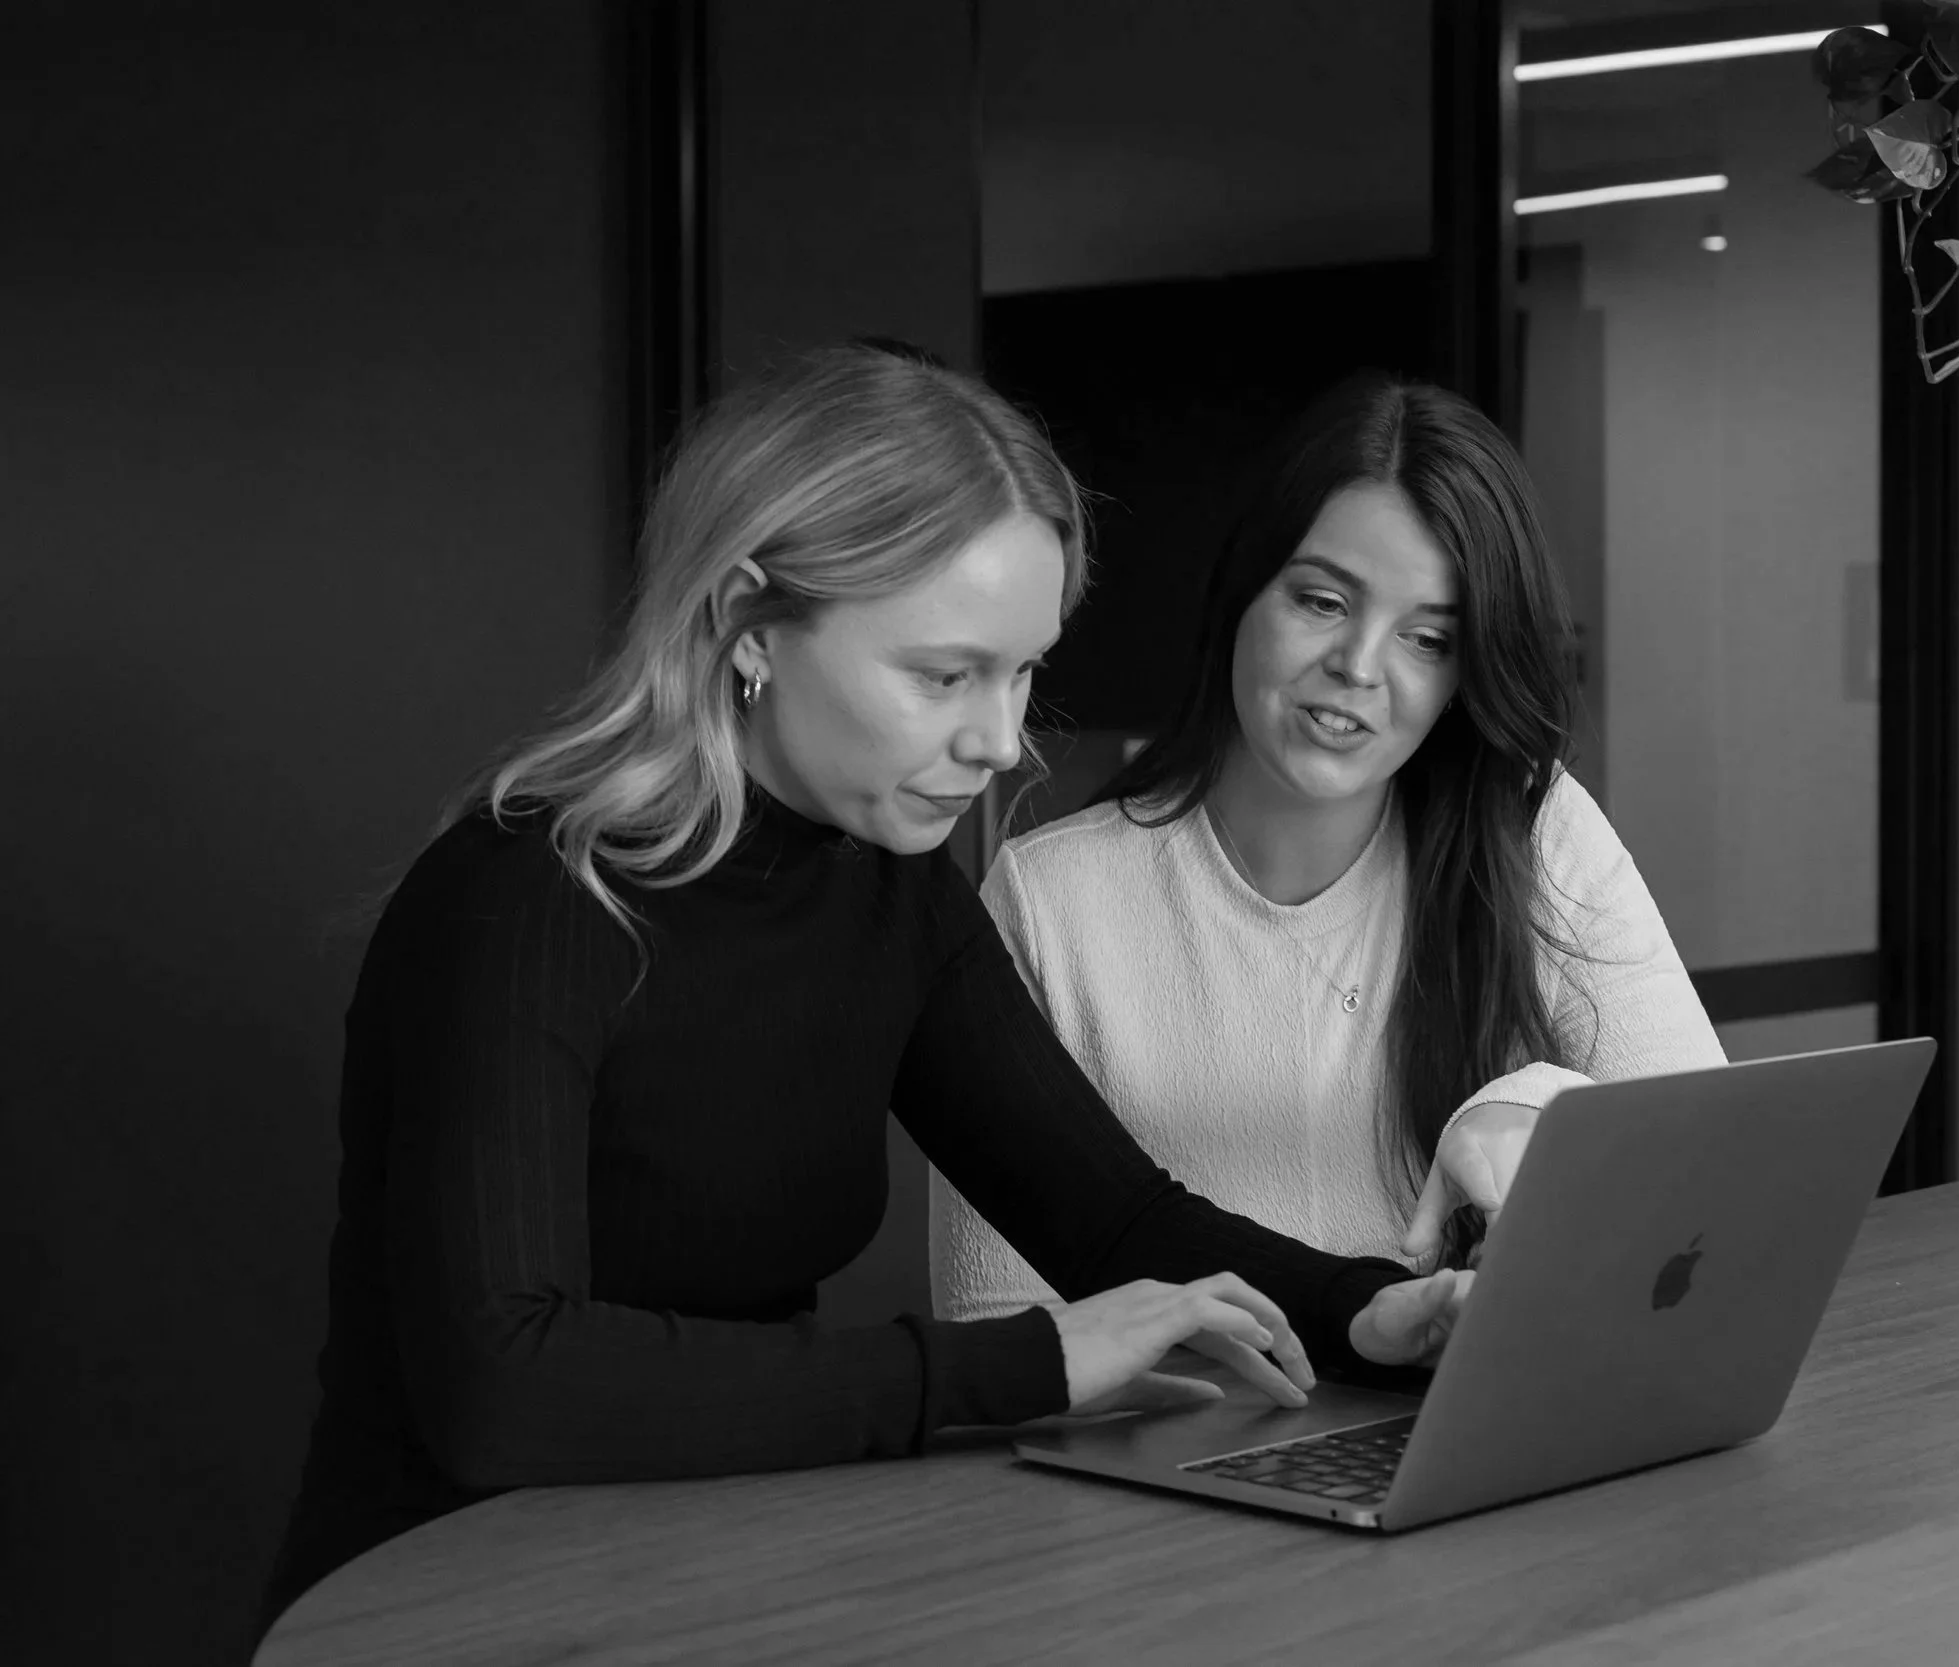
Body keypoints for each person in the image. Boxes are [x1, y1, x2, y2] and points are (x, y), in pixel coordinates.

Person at [262, 344, 1469, 1627]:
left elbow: (1113, 1218)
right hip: (446, 1598)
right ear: (748, 627)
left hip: (716, 1566)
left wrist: (1367, 1307)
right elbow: (506, 1383)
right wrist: (1019, 1364)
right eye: (943, 675)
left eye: (1021, 673)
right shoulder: (523, 898)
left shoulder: (891, 889)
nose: (1000, 742)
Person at [932, 373, 1725, 1322]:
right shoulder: (1054, 895)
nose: (1359, 668)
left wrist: (1534, 1106)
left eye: (1427, 639)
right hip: (1178, 1443)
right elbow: (996, 1318)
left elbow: (1715, 1169)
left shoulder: (1533, 832)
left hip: (1466, 1422)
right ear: (1244, 593)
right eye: (1322, 601)